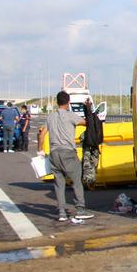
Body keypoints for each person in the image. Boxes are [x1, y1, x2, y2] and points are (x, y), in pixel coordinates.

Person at [38, 91, 95, 222]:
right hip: (68, 153)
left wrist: (40, 150)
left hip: (54, 154)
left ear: (57, 102)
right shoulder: (71, 116)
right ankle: (80, 210)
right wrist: (88, 109)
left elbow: (41, 135)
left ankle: (62, 213)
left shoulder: (50, 117)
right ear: (68, 102)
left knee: (59, 184)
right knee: (76, 182)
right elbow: (87, 123)